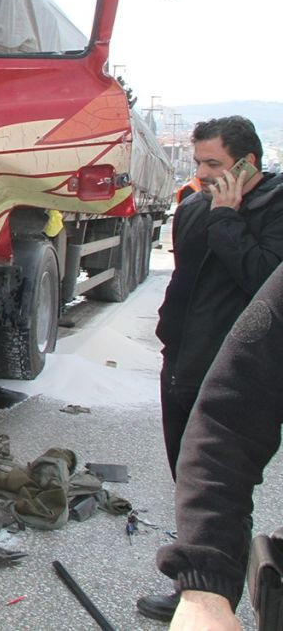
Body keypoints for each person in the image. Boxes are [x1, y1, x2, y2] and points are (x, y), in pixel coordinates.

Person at [138, 115, 283, 621]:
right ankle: (193, 587)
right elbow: (184, 281)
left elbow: (262, 276)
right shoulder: (194, 204)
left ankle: (214, 598)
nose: (202, 174)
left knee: (222, 485)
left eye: (214, 164)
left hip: (233, 369)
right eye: (198, 163)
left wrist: (228, 218)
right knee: (189, 480)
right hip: (182, 359)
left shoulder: (275, 205)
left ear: (249, 162)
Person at [158, 264, 283, 630]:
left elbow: (255, 264)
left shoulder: (269, 212)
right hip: (193, 357)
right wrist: (204, 585)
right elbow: (227, 423)